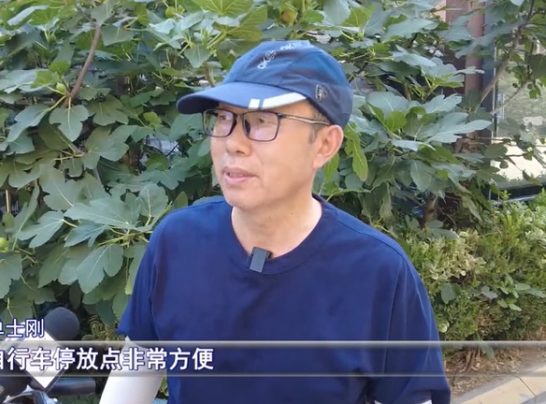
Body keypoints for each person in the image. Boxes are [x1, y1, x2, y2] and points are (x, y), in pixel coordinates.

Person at [98, 40, 451, 404]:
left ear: (325, 145)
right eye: (224, 118)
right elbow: (133, 380)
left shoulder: (378, 272)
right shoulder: (177, 242)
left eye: (261, 121)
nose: (233, 143)